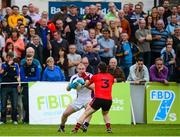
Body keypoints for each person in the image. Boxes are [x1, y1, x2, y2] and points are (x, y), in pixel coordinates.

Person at [72, 62, 114, 133]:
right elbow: (110, 83)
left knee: (86, 113)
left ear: (98, 69)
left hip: (98, 98)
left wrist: (85, 78)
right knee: (105, 114)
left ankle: (75, 129)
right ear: (106, 69)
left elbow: (86, 84)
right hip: (108, 100)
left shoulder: (95, 76)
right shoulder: (111, 77)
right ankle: (109, 128)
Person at [58, 63, 93, 132]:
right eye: (79, 69)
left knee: (89, 111)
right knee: (65, 114)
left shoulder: (90, 76)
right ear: (77, 69)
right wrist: (71, 86)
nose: (81, 70)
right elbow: (67, 89)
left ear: (85, 69)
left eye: (83, 69)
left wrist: (85, 84)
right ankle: (62, 127)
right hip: (79, 100)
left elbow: (94, 88)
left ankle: (85, 125)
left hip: (88, 98)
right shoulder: (74, 77)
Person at [20, 54, 41, 123]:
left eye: (30, 60)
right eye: (28, 60)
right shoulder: (23, 67)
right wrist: (31, 79)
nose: (29, 61)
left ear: (32, 59)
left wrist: (28, 78)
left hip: (34, 88)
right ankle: (27, 118)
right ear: (26, 59)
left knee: (33, 103)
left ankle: (28, 119)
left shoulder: (35, 66)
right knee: (25, 103)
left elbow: (37, 78)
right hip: (25, 87)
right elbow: (23, 79)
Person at [0, 52, 20, 124]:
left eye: (12, 57)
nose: (11, 59)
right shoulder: (3, 65)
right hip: (4, 86)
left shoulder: (16, 65)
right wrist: (8, 66)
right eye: (9, 57)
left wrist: (18, 84)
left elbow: (17, 75)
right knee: (3, 105)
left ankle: (14, 120)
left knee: (14, 104)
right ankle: (3, 120)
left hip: (14, 86)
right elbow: (1, 74)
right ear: (7, 57)